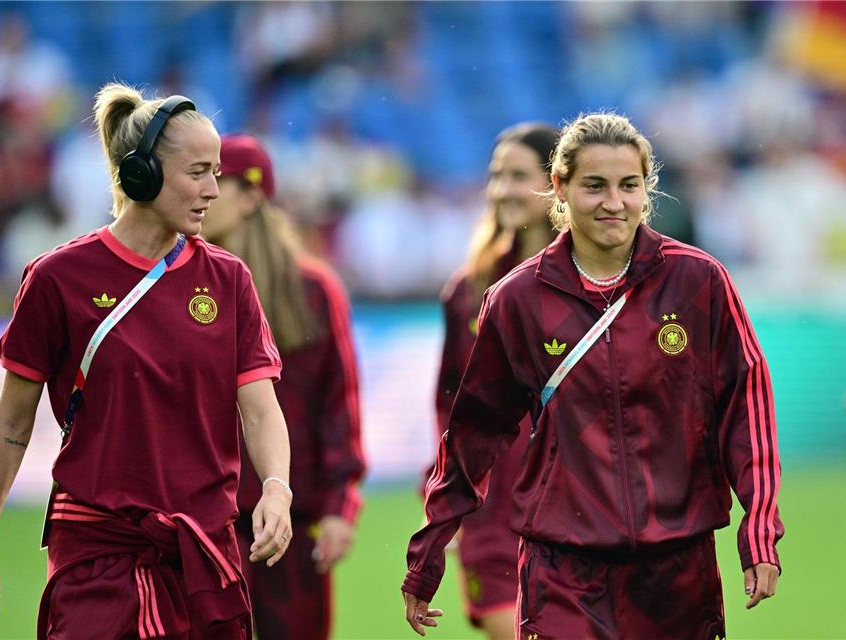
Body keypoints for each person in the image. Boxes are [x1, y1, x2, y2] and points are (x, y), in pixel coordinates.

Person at [403, 112, 783, 639]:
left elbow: (747, 409)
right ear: (559, 187)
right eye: (594, 186)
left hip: (677, 569)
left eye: (628, 186)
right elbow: (471, 431)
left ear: (646, 188)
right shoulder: (516, 299)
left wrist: (759, 525)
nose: (613, 202)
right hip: (563, 570)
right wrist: (430, 549)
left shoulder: (698, 281)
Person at [0, 83, 294, 640]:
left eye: (218, 172)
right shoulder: (57, 279)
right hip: (96, 552)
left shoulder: (229, 279)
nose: (214, 189)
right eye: (199, 172)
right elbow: (13, 423)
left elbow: (259, 410)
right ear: (141, 175)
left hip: (204, 552)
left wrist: (277, 489)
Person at [201, 134, 365, 640]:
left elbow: (338, 407)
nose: (202, 191)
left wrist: (341, 506)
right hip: (201, 520)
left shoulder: (314, 290)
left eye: (215, 179)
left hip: (289, 521)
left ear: (251, 195)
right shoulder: (176, 286)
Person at [430, 122, 557, 640]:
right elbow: (450, 407)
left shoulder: (597, 284)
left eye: (518, 175)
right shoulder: (468, 291)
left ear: (558, 184)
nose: (501, 189)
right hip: (492, 509)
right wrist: (442, 494)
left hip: (581, 509)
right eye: (495, 175)